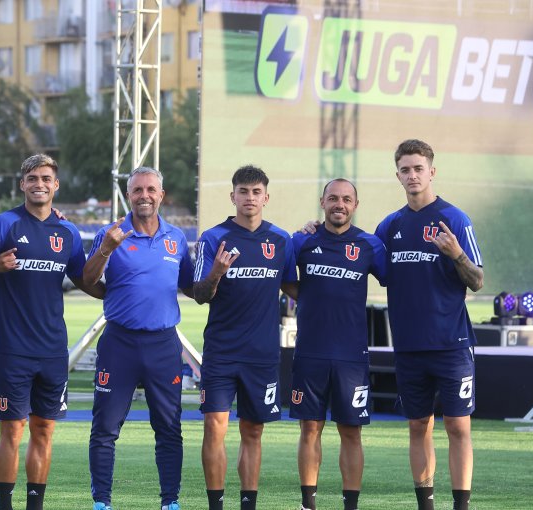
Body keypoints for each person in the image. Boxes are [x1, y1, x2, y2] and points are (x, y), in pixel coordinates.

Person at [0, 154, 104, 510]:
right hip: (13, 349)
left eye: (46, 178)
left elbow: (84, 279)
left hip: (52, 350)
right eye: (32, 178)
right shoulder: (4, 224)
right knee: (11, 431)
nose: (39, 184)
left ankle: (35, 505)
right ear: (23, 184)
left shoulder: (67, 231)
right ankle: (4, 505)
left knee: (44, 431)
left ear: (56, 184)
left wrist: (120, 292)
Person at [374, 139, 484, 510]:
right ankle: (426, 504)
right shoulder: (390, 227)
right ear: (398, 175)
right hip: (408, 347)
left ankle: (461, 505)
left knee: (458, 427)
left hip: (451, 344)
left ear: (431, 172)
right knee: (418, 426)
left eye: (418, 168)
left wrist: (456, 255)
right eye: (405, 169)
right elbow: (357, 256)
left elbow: (477, 279)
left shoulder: (454, 219)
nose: (412, 175)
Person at [82, 167, 195, 510]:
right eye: (137, 190)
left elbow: (192, 287)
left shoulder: (176, 238)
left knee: (168, 427)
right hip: (120, 344)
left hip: (163, 344)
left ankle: (170, 501)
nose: (144, 195)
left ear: (162, 195)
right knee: (105, 427)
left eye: (150, 189)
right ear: (128, 195)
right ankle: (101, 502)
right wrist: (105, 250)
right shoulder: (111, 234)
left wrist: (220, 275)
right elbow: (87, 281)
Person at [192, 165, 296, 510]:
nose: (249, 198)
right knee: (215, 427)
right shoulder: (212, 238)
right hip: (222, 353)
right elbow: (200, 294)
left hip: (263, 355)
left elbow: (296, 287)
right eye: (243, 191)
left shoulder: (281, 241)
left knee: (253, 432)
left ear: (266, 197)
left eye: (256, 192)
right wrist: (218, 272)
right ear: (232, 196)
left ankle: (248, 504)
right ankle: (216, 505)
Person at [289, 178, 386, 510]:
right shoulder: (303, 241)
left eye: (346, 199)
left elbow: (396, 279)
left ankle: (350, 506)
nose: (339, 205)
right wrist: (310, 299)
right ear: (322, 202)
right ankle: (308, 504)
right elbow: (285, 279)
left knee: (351, 432)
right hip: (310, 351)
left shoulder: (369, 245)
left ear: (355, 205)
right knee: (310, 429)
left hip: (351, 355)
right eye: (333, 198)